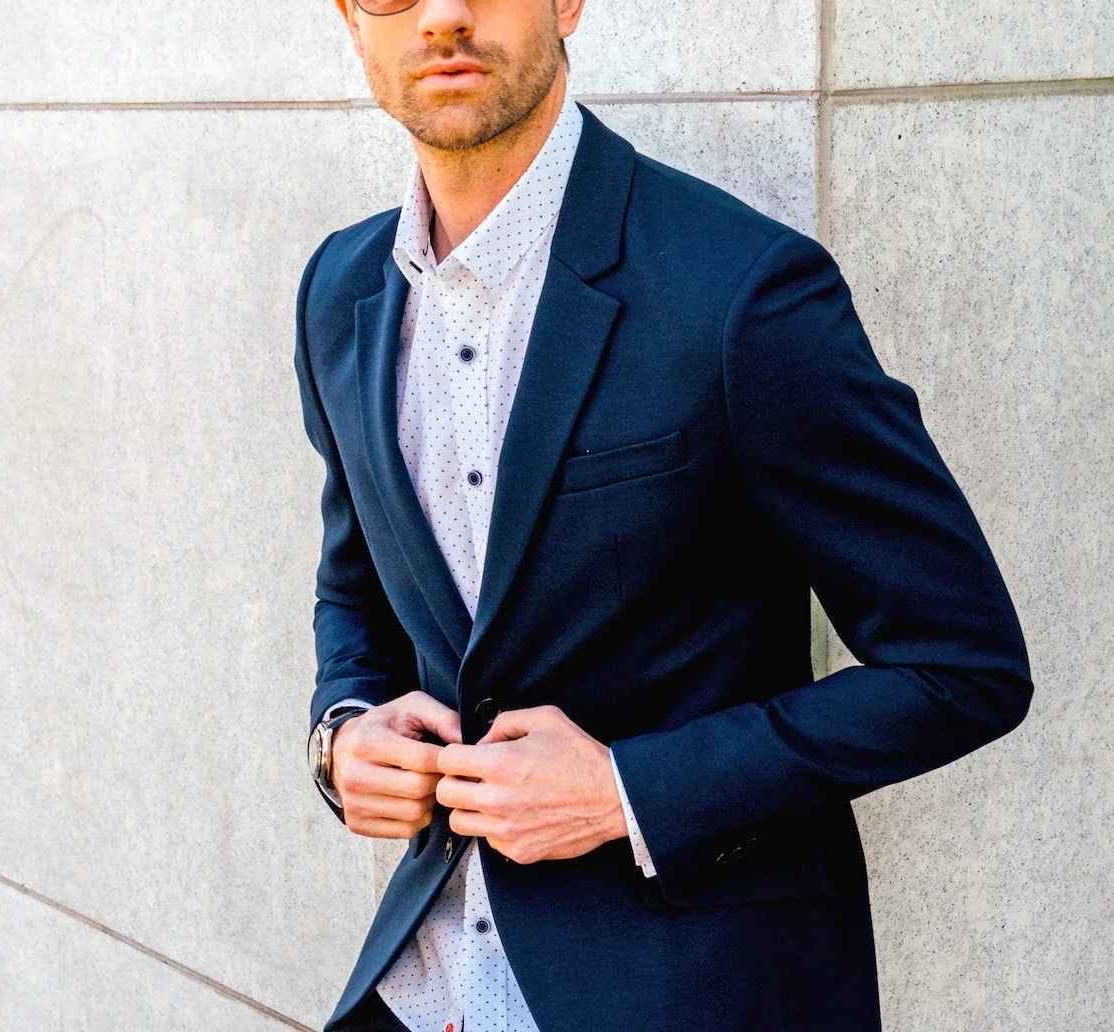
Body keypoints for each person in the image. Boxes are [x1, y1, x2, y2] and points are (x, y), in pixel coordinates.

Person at [294, 0, 1033, 1028]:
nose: (446, 15)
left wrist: (627, 791)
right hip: (426, 986)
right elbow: (357, 589)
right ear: (348, 16)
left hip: (692, 989)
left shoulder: (741, 290)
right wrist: (343, 733)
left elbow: (963, 668)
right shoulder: (338, 290)